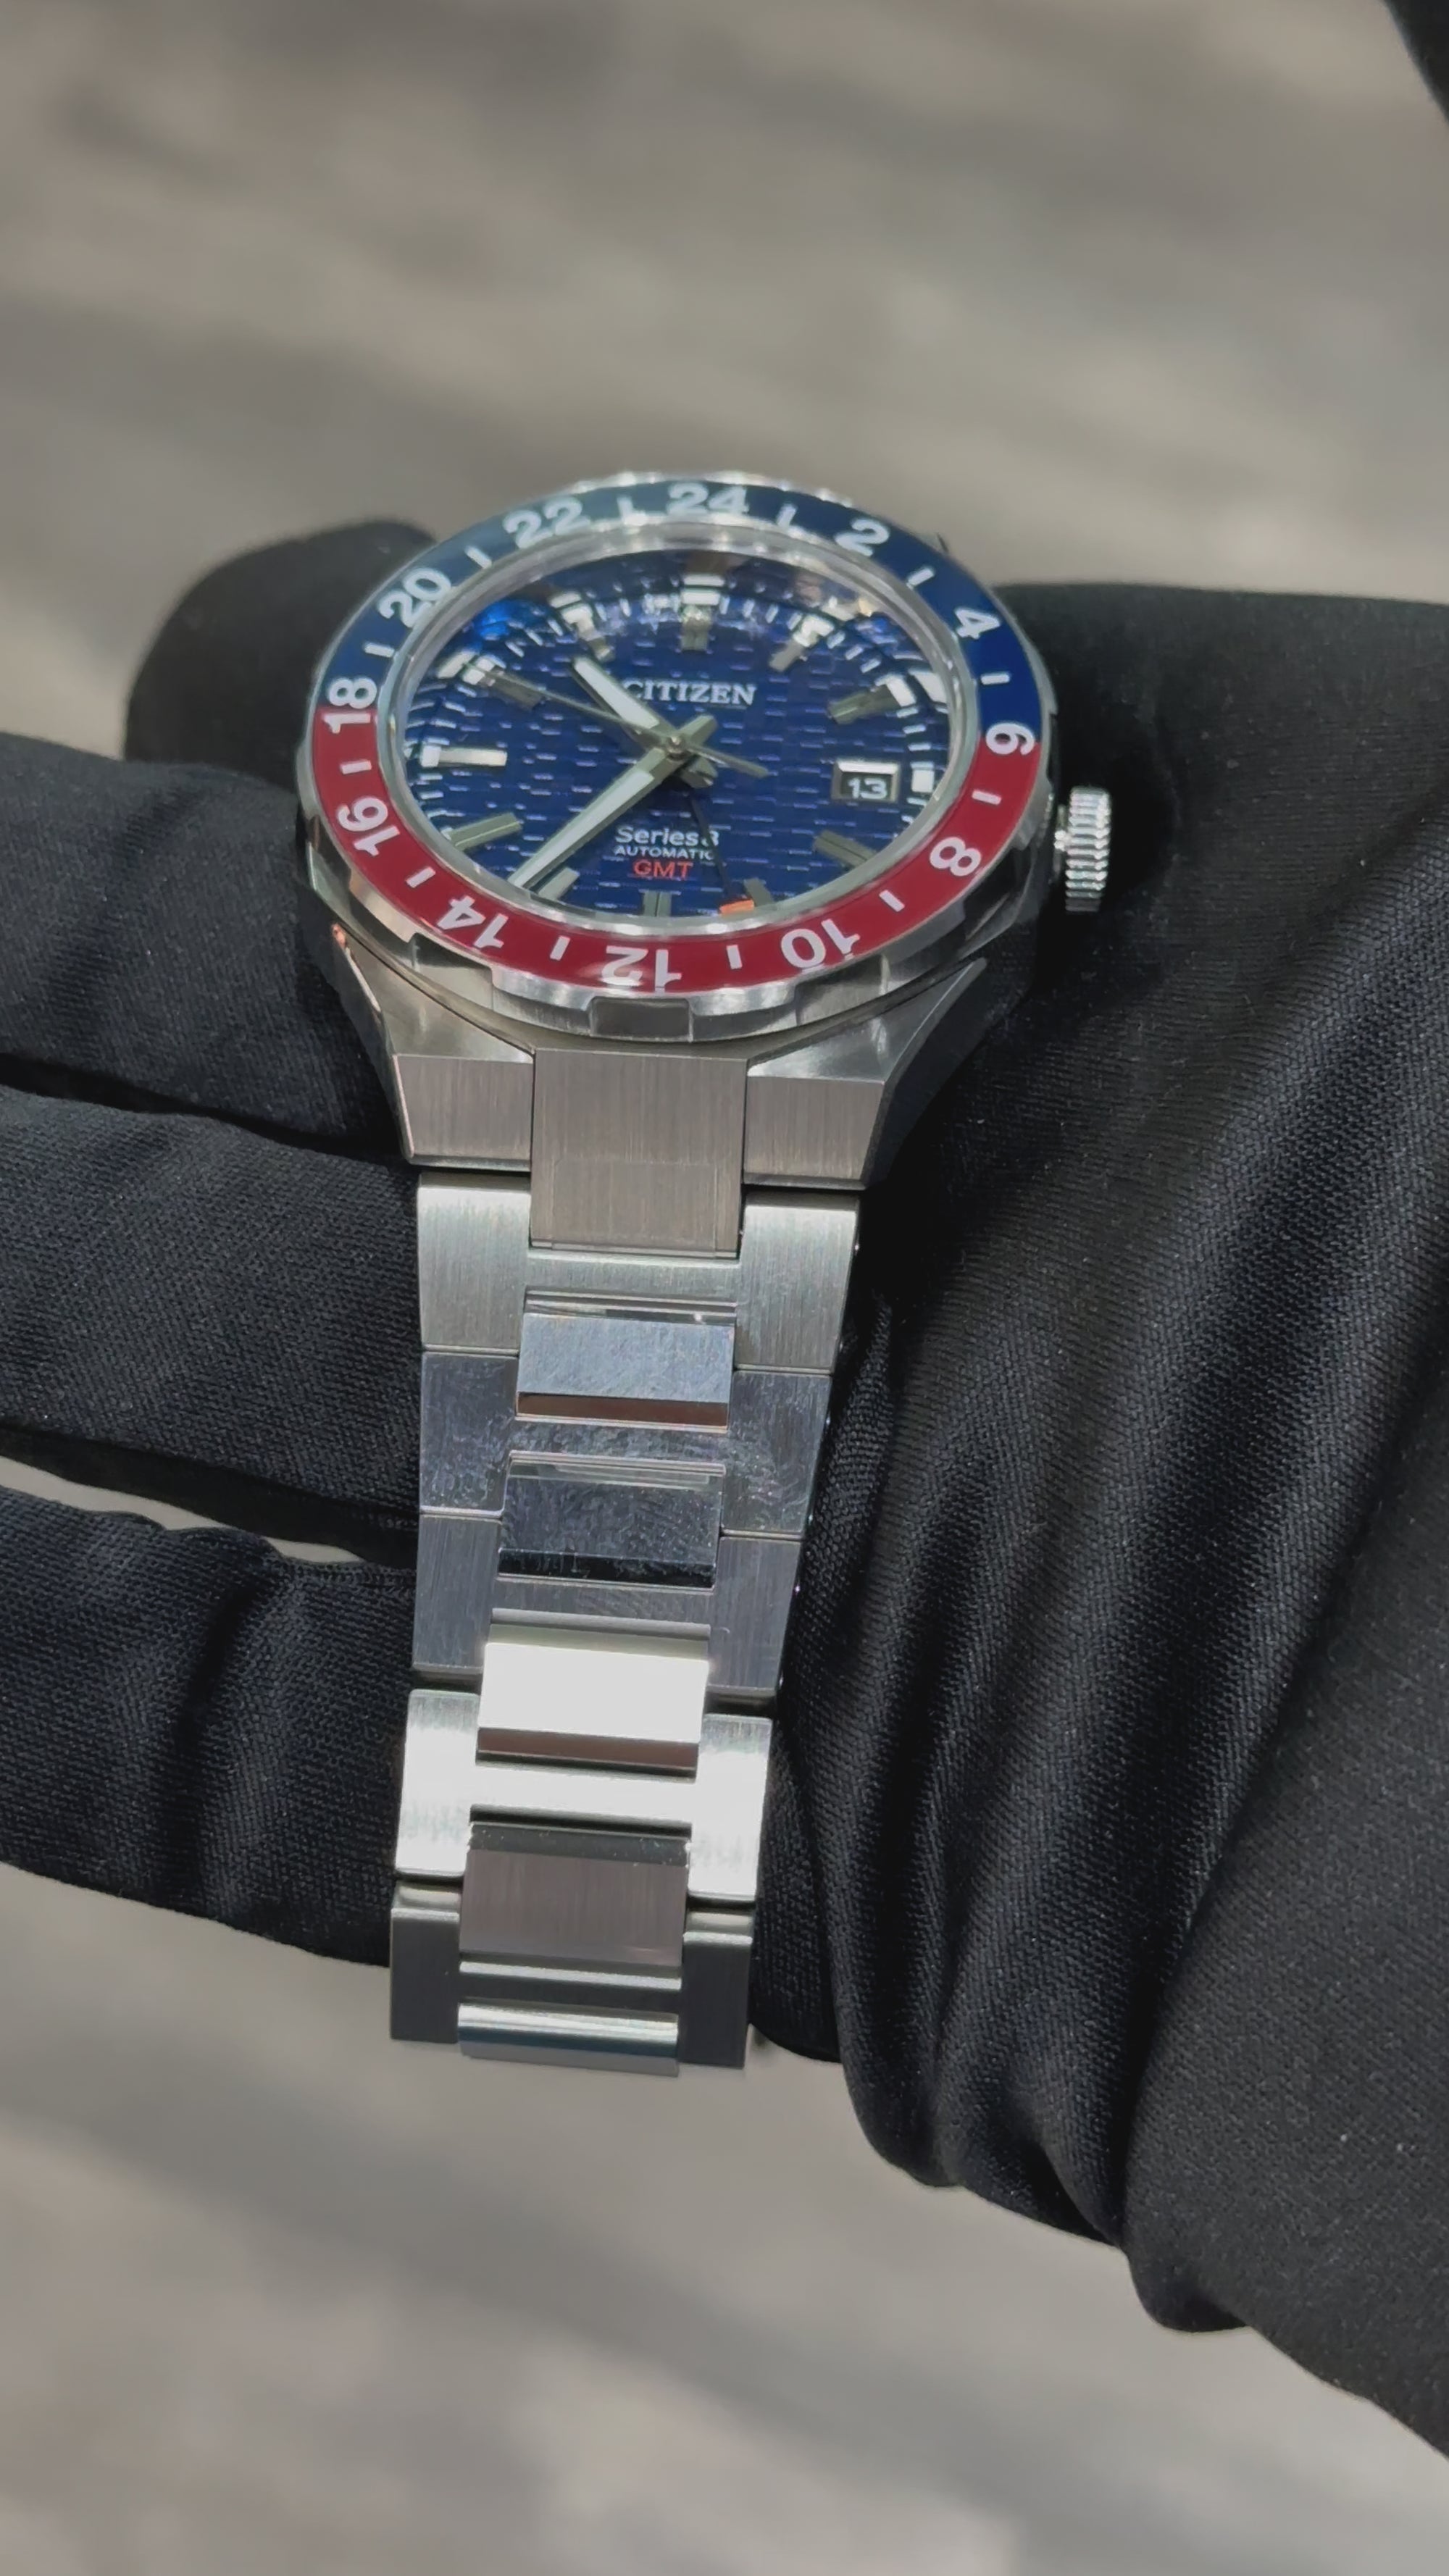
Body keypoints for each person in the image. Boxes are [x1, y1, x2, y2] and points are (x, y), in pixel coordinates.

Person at [3, 0, 1448, 2459]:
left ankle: (582, 1880)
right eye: (650, 742)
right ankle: (580, 1880)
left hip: (828, 1031)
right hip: (485, 996)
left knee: (526, 1811)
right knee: (546, 1831)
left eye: (710, 745)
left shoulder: (971, 873)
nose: (679, 758)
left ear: (1043, 849)